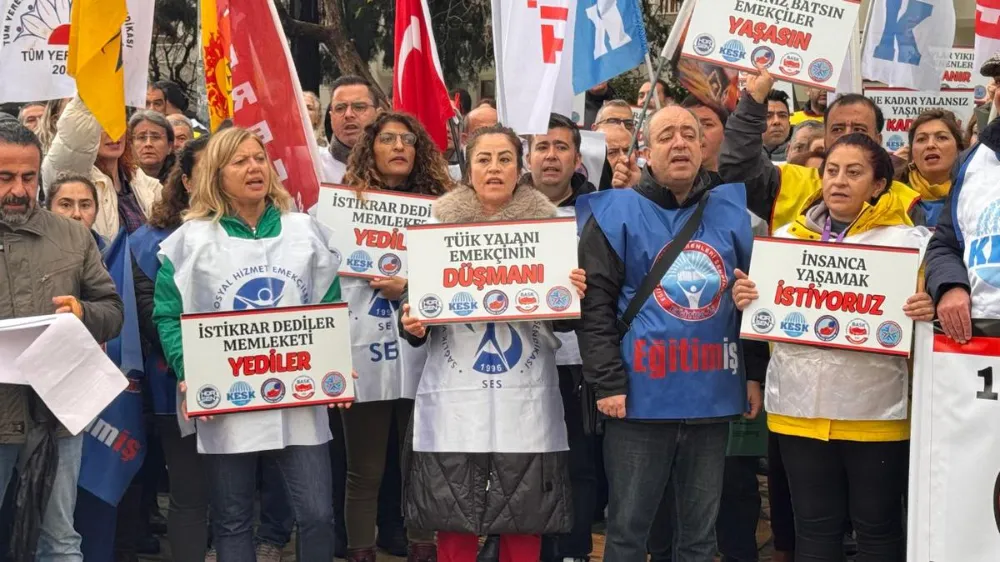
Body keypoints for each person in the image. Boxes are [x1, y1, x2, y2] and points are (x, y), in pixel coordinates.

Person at [732, 133, 934, 561]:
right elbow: (763, 317)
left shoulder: (909, 243)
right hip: (798, 410)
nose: (839, 181)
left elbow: (931, 322)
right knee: (814, 528)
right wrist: (749, 297)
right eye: (832, 171)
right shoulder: (785, 239)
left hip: (875, 412)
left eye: (854, 172)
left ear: (878, 185)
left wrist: (927, 306)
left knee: (877, 527)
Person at [577, 105, 760, 562]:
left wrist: (753, 373)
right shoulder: (613, 213)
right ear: (645, 150)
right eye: (666, 136)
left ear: (702, 146)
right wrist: (608, 382)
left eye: (688, 134)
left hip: (710, 399)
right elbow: (594, 307)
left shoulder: (734, 213)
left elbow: (756, 302)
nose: (679, 143)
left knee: (699, 538)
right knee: (627, 533)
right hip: (638, 400)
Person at [152, 127, 344, 560]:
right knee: (232, 518)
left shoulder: (304, 230)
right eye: (239, 161)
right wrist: (189, 369)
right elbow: (168, 315)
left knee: (317, 514)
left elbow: (328, 305)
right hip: (227, 395)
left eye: (259, 158)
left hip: (299, 394)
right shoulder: (190, 241)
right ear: (216, 175)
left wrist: (334, 362)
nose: (254, 168)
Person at [399, 124, 586, 562]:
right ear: (468, 170)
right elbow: (416, 305)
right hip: (455, 395)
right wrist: (412, 322)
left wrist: (576, 293)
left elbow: (566, 321)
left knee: (525, 512)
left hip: (526, 393)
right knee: (453, 512)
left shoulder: (551, 230)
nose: (494, 168)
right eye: (484, 159)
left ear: (520, 169)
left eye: (505, 159)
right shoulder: (436, 230)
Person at [0, 121, 124, 560]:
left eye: (28, 177)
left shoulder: (72, 235)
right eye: (5, 177)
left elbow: (113, 311)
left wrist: (83, 313)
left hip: (57, 411)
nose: (18, 190)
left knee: (60, 541)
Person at [338, 112, 453, 562]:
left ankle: (424, 546)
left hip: (425, 353)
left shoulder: (443, 209)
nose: (399, 146)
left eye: (408, 139)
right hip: (361, 350)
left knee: (421, 459)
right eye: (388, 139)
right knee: (364, 468)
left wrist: (410, 287)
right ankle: (360, 550)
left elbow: (458, 279)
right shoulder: (341, 209)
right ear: (371, 148)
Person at [130, 136, 212, 562]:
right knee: (189, 492)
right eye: (211, 168)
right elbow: (151, 316)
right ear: (187, 180)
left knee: (235, 498)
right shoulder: (149, 242)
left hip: (253, 384)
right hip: (173, 387)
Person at [720, 66, 920, 235]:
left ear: (878, 140)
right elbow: (738, 167)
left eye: (859, 130)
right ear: (824, 138)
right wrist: (753, 102)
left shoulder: (906, 202)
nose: (846, 137)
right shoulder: (788, 183)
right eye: (837, 129)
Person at [526, 114, 597, 562]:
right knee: (524, 462)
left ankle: (574, 550)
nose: (550, 156)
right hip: (519, 361)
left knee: (578, 463)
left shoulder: (600, 211)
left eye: (560, 147)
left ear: (577, 158)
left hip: (577, 360)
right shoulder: (503, 209)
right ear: (527, 157)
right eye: (541, 147)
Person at [41, 96, 163, 239]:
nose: (113, 132)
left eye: (117, 122)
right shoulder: (72, 175)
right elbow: (73, 144)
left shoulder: (139, 178)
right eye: (102, 125)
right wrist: (96, 91)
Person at [897, 110, 965, 228]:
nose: (930, 145)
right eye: (921, 139)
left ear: (958, 149)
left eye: (941, 137)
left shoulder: (973, 194)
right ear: (911, 153)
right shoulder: (892, 196)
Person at [322, 75, 380, 184]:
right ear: (331, 117)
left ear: (378, 115)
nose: (348, 114)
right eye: (340, 108)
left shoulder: (397, 166)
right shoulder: (312, 167)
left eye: (359, 107)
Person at [129, 110, 176, 183]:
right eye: (141, 137)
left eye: (156, 137)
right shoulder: (121, 181)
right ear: (130, 145)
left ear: (169, 146)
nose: (148, 144)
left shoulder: (182, 181)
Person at [597, 121, 641, 189]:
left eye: (627, 151)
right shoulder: (584, 189)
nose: (623, 157)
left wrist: (637, 188)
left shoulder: (643, 185)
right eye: (612, 152)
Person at [763, 90, 791, 162]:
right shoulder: (744, 156)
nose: (776, 121)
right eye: (768, 116)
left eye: (782, 116)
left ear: (789, 123)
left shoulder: (804, 158)